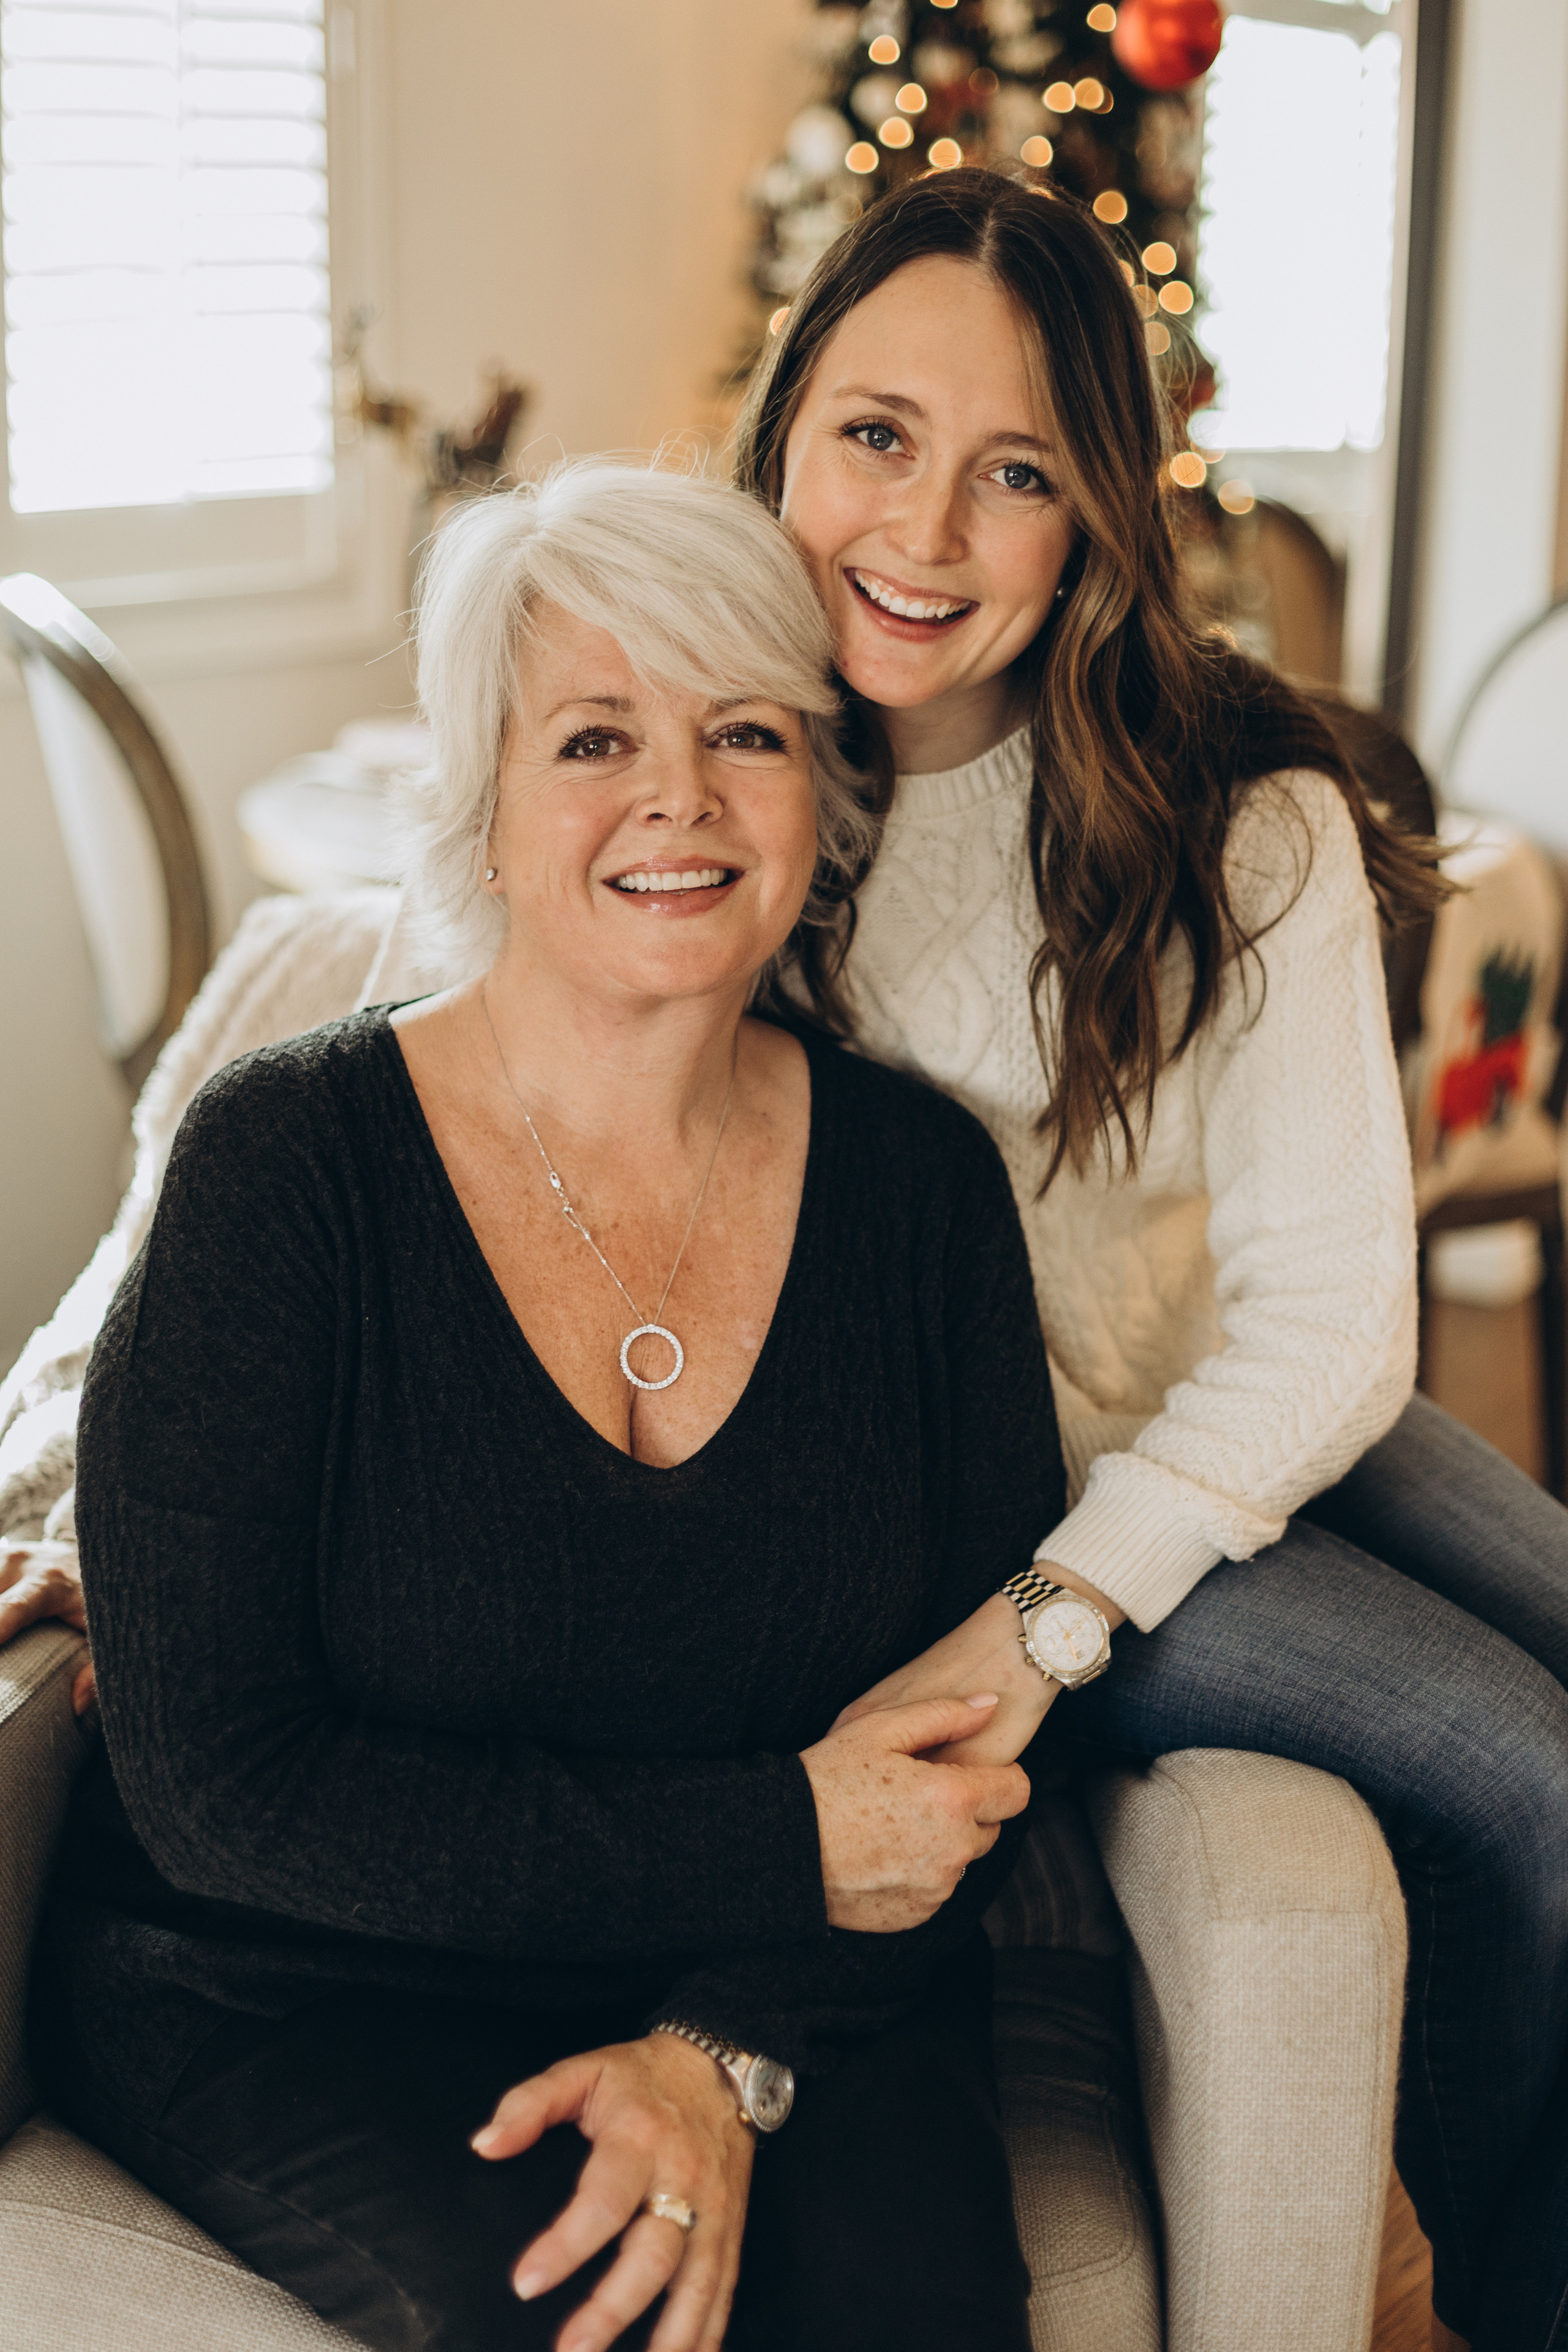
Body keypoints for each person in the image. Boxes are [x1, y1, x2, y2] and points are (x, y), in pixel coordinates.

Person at [30, 464, 1057, 2352]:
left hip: (789, 1974)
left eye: (744, 730)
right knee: (583, 2325)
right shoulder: (287, 1168)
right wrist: (773, 1836)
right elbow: (218, 1785)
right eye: (596, 737)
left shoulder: (924, 1194)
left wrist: (721, 2037)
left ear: (822, 800)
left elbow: (965, 1717)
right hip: (317, 1978)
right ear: (485, 815)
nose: (677, 796)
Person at [727, 167, 1568, 2352]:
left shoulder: (1235, 811)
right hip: (961, 1487)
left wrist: (1071, 1605)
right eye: (878, 436)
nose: (921, 535)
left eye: (1014, 473)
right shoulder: (717, 753)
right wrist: (71, 1456)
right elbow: (378, 1073)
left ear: (1098, 508)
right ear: (787, 426)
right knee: (1532, 1778)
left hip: (1203, 1416)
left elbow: (1332, 1333)